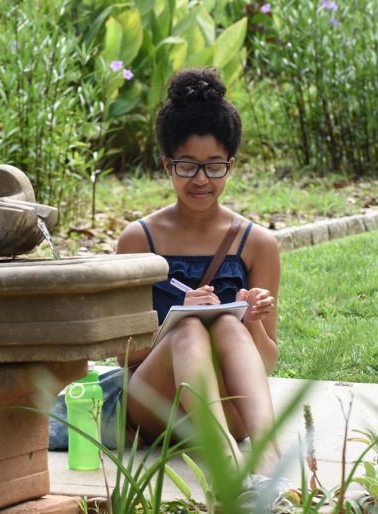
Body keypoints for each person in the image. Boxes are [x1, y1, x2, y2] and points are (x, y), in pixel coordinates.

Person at [116, 67, 281, 474]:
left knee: (228, 323)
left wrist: (254, 322)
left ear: (231, 164)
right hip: (156, 405)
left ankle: (268, 461)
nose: (202, 180)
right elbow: (123, 356)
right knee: (191, 328)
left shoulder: (258, 244)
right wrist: (176, 322)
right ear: (167, 164)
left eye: (215, 166)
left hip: (230, 410)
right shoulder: (138, 240)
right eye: (188, 166)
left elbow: (267, 363)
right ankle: (227, 470)